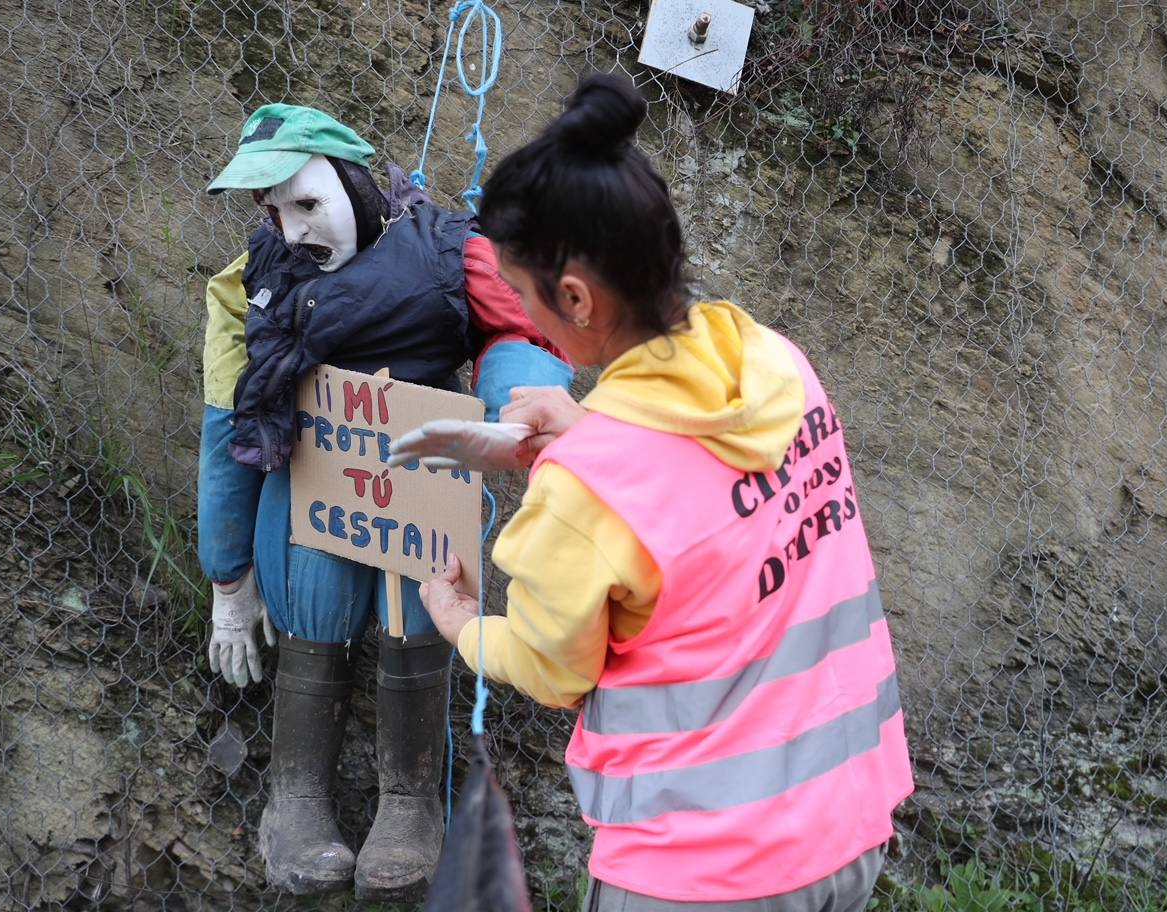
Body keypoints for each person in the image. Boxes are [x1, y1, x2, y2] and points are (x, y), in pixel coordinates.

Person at [407, 74, 915, 911]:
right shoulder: (775, 365)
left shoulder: (588, 489)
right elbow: (706, 498)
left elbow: (550, 667)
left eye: (519, 294)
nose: (521, 316)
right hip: (846, 827)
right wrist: (584, 429)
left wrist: (461, 622)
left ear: (573, 299)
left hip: (705, 872)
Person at [196, 102, 572, 899]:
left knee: (422, 595)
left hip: (421, 474)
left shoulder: (449, 251)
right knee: (317, 593)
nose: (293, 229)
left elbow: (515, 336)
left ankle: (410, 802)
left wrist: (520, 408)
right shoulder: (256, 278)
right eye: (273, 210)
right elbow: (227, 414)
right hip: (311, 480)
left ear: (356, 183)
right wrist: (227, 575)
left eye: (307, 203)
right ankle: (295, 798)